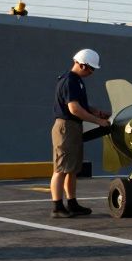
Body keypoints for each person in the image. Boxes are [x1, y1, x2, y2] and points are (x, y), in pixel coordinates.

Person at [50, 48, 110, 219]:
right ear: (82, 65)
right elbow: (74, 109)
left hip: (73, 127)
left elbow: (82, 106)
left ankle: (72, 203)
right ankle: (57, 206)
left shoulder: (76, 81)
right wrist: (98, 122)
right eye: (91, 69)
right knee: (61, 168)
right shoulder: (69, 81)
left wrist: (97, 112)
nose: (92, 72)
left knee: (72, 169)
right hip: (66, 127)